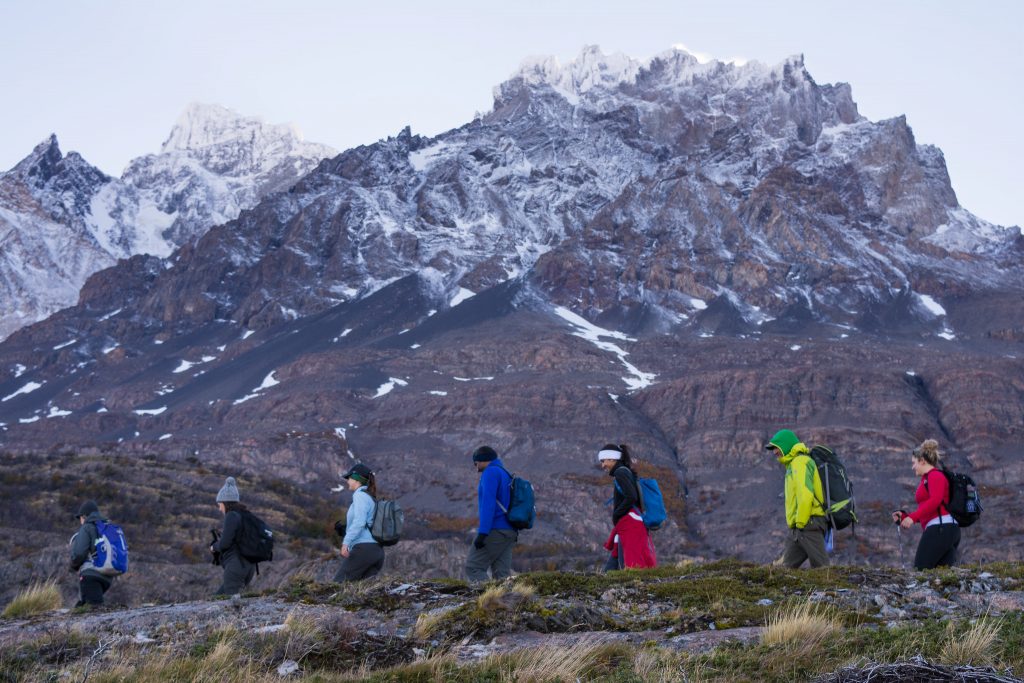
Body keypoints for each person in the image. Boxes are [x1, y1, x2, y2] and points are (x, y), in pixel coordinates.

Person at [765, 429, 830, 568]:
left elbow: (805, 494)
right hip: (799, 527)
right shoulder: (792, 465)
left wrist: (801, 522)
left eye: (776, 447)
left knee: (823, 570)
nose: (774, 452)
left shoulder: (800, 462)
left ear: (786, 445)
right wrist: (797, 525)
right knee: (782, 568)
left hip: (808, 523)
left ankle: (831, 590)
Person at [891, 439, 960, 569]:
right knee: (940, 573)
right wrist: (906, 517)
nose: (913, 467)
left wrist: (913, 518)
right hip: (946, 528)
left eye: (914, 463)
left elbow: (935, 500)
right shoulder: (928, 478)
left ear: (922, 460)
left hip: (940, 528)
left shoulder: (935, 476)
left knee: (921, 568)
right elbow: (930, 508)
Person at [598, 444, 656, 570]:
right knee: (617, 559)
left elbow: (631, 496)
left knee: (628, 563)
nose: (602, 465)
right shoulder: (625, 471)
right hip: (630, 522)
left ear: (612, 459)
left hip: (629, 522)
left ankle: (619, 583)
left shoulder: (620, 473)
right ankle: (606, 581)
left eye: (603, 461)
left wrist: (617, 514)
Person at [464, 446, 518, 581]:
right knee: (502, 575)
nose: (475, 466)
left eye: (476, 462)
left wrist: (483, 533)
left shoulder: (490, 473)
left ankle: (489, 600)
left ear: (483, 460)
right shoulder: (504, 473)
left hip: (496, 529)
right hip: (510, 531)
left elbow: (488, 504)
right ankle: (508, 601)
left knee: (474, 567)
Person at [334, 463, 385, 582]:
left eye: (349, 478)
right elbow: (366, 523)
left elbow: (360, 522)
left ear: (356, 479)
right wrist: (345, 530)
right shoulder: (370, 497)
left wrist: (345, 543)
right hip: (377, 552)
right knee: (363, 591)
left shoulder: (360, 496)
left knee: (338, 584)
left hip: (364, 550)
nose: (347, 481)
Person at [210, 477, 257, 596]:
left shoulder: (231, 516)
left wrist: (214, 547)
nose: (219, 508)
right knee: (221, 598)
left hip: (236, 566)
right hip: (249, 567)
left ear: (225, 503)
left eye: (220, 504)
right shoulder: (244, 515)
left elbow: (225, 543)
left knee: (225, 603)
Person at [69, 500, 114, 608]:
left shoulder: (87, 527)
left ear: (84, 516)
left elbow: (79, 554)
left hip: (91, 575)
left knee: (93, 610)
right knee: (84, 606)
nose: (80, 521)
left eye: (80, 518)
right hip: (107, 577)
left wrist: (73, 565)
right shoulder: (107, 527)